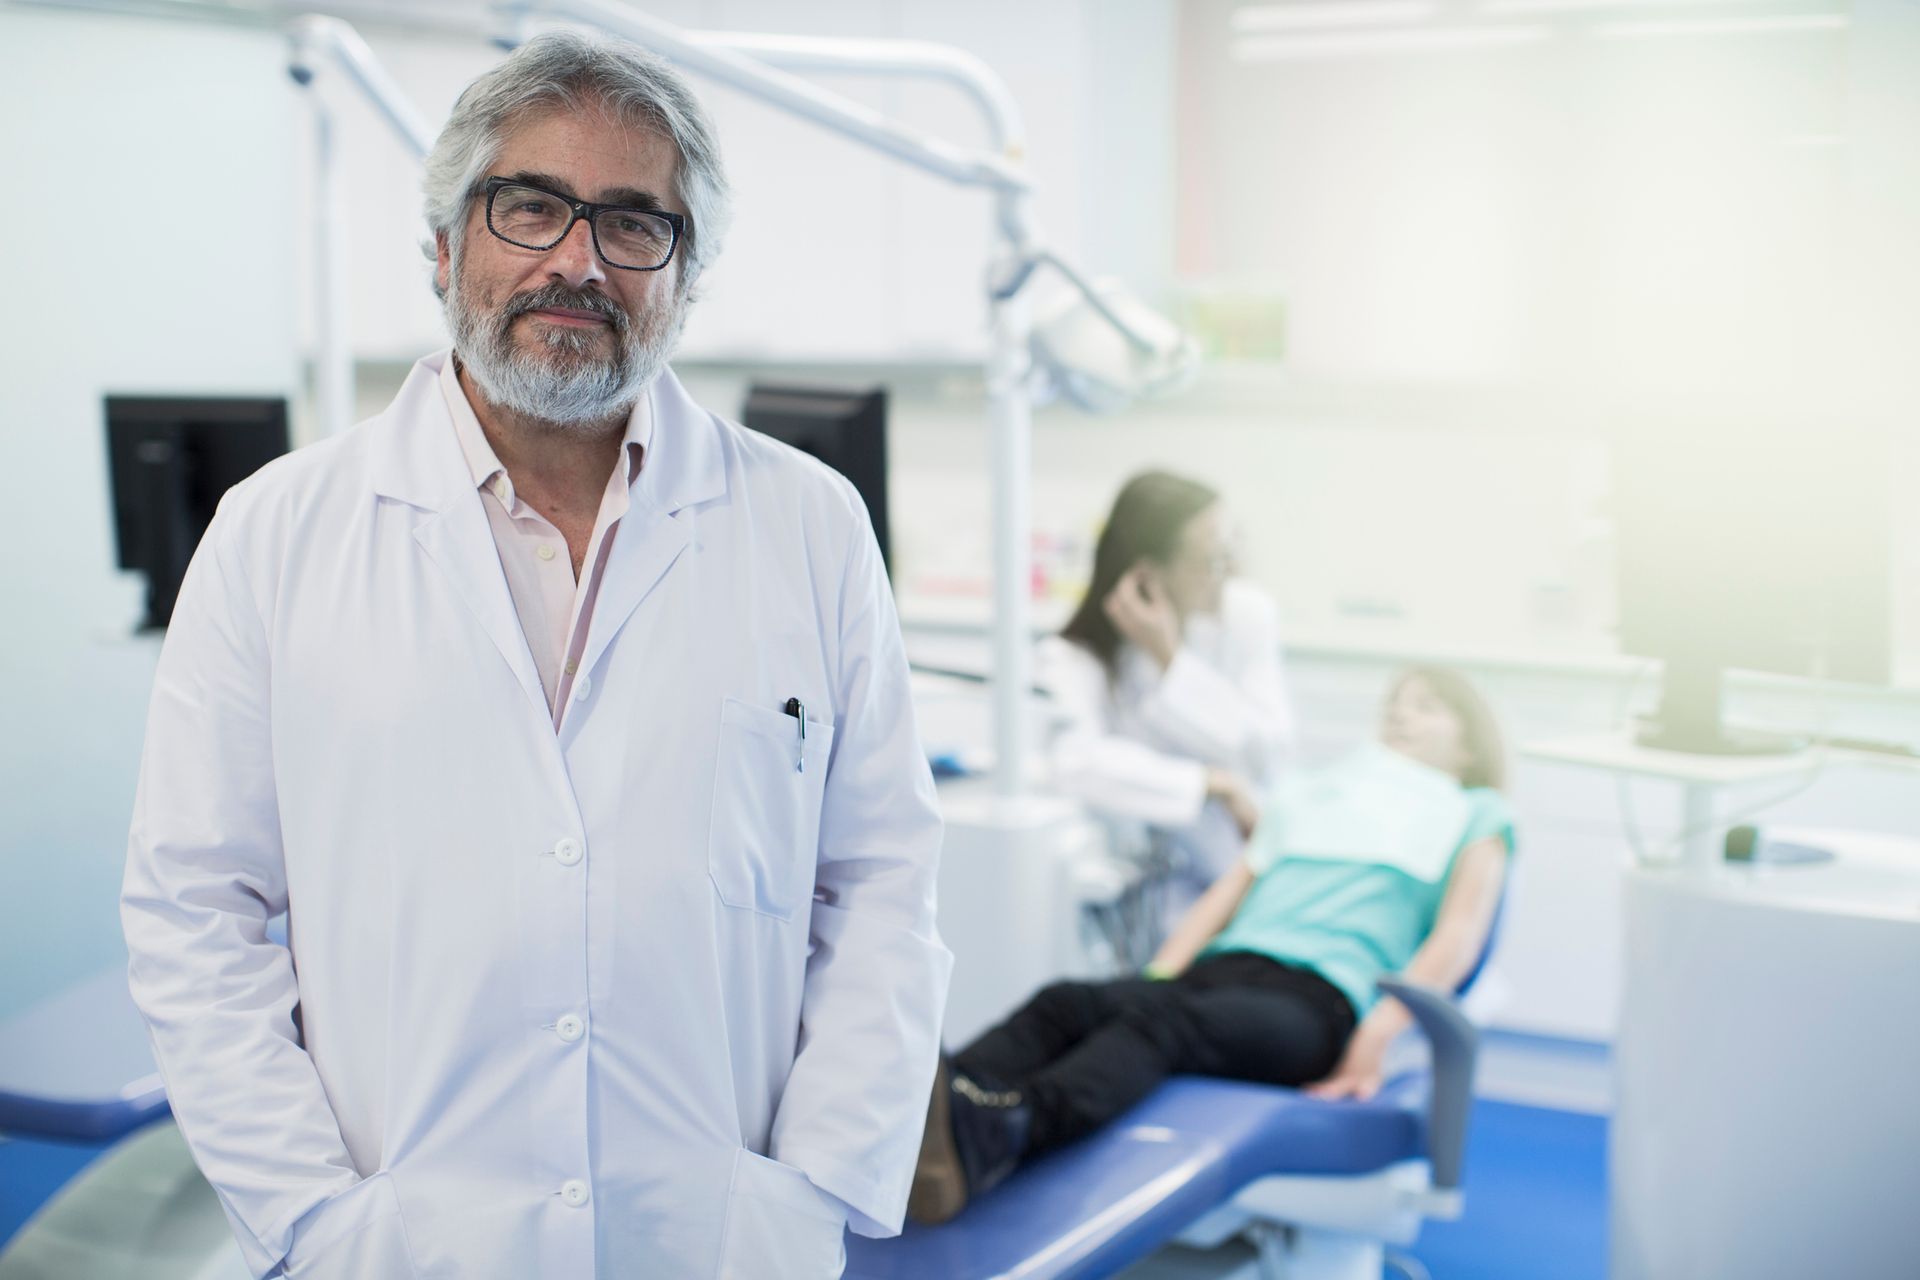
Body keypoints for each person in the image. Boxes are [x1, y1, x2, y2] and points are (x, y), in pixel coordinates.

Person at [120, 31, 948, 1280]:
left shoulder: (810, 522)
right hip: (405, 1239)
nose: (578, 259)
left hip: (714, 1236)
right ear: (446, 248)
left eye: (634, 223)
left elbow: (881, 880)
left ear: (686, 274)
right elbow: (197, 910)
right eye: (531, 207)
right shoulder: (277, 532)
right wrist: (311, 1217)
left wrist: (814, 1184)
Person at [908, 667, 1513, 1225]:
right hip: (1222, 973)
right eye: (1395, 702)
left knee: (1157, 1024)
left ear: (1469, 745)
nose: (1401, 713)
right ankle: (919, 1116)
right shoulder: (1314, 795)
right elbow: (1226, 895)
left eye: (1427, 707)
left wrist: (1373, 1037)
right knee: (1067, 1001)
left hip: (1314, 1002)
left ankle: (1002, 1131)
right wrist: (1162, 971)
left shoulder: (1475, 812)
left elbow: (1459, 935)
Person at [1039, 471, 1296, 941]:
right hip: (1152, 902)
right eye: (1210, 559)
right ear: (1147, 576)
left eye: (1230, 549)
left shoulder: (1244, 614)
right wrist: (1211, 783)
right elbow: (1075, 762)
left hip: (1249, 878)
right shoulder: (1075, 659)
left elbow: (1267, 748)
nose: (1229, 570)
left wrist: (1171, 659)